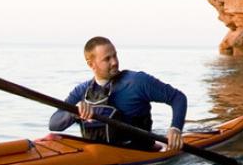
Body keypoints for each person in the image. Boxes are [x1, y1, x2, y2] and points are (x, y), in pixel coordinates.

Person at [48, 37, 186, 151]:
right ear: (91, 64)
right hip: (97, 154)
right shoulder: (82, 91)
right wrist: (74, 112)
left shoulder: (137, 81)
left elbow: (177, 98)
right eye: (107, 59)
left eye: (115, 55)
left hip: (139, 154)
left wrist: (175, 128)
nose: (114, 62)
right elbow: (54, 124)